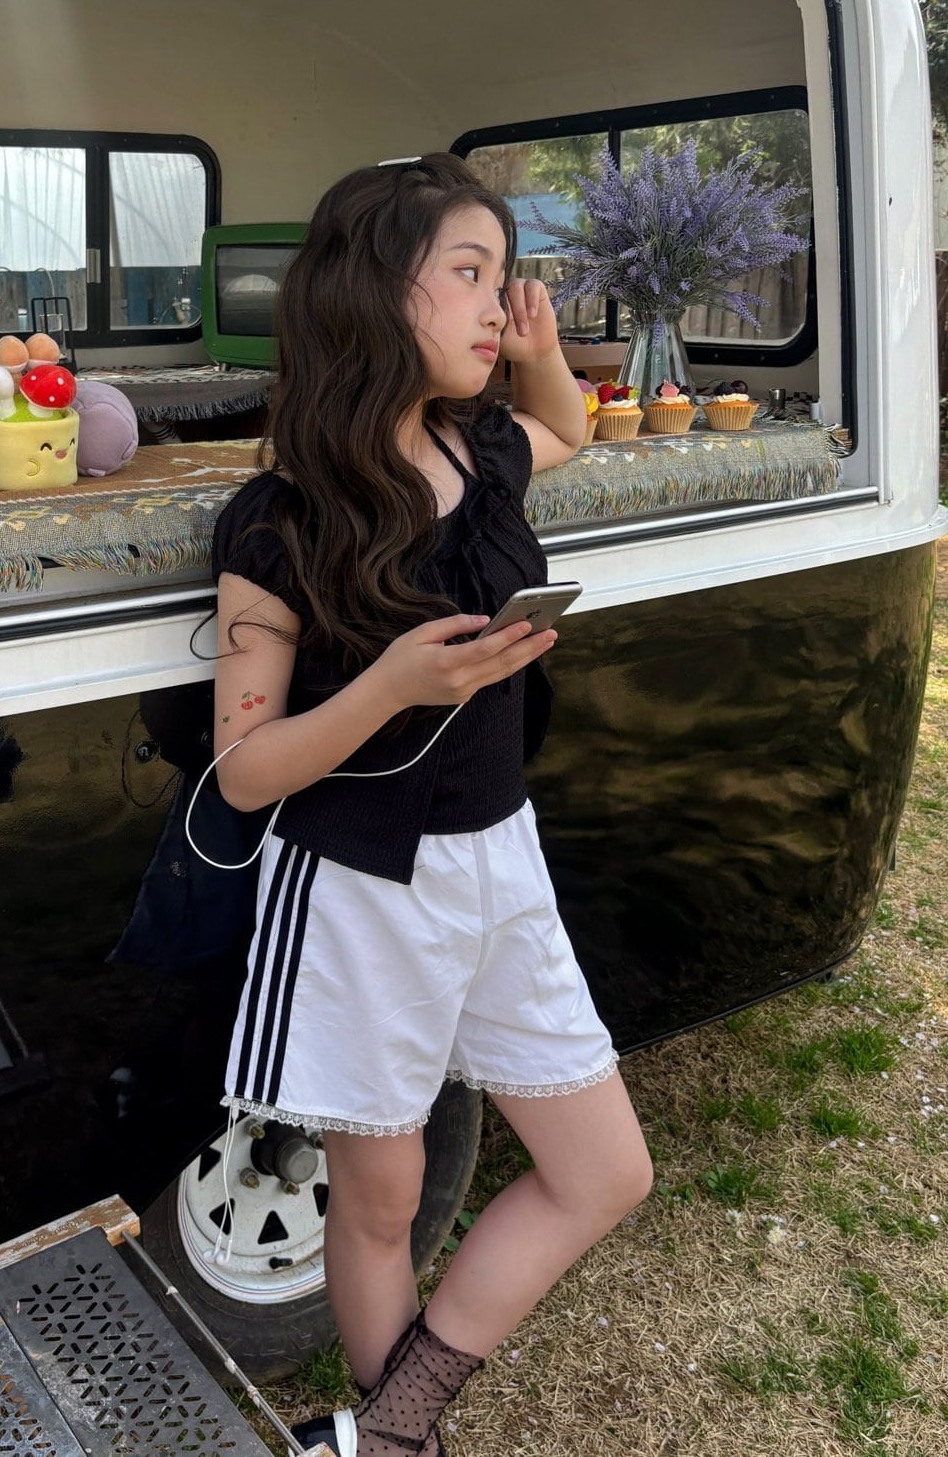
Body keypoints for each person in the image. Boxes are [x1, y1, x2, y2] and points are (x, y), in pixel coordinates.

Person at [206, 153, 653, 1456]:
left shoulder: (487, 447)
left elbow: (567, 426)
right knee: (383, 1199)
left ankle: (383, 1430)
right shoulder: (280, 521)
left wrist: (542, 351)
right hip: (356, 885)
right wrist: (393, 685)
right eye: (469, 273)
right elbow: (246, 770)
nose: (494, 303)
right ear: (372, 292)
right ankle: (400, 1443)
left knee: (605, 1172)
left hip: (500, 858)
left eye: (501, 278)